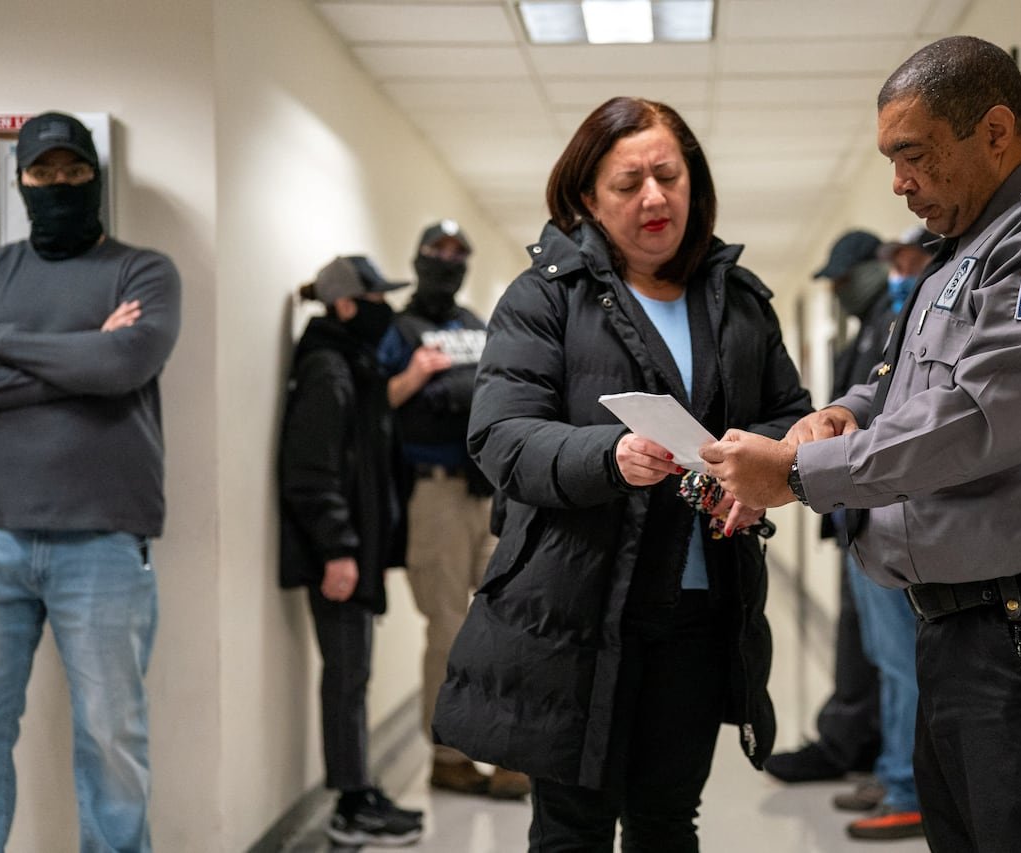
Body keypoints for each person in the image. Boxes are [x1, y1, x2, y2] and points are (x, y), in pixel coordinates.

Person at [701, 36, 1021, 853]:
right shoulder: (962, 257)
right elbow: (899, 384)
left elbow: (979, 418)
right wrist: (839, 416)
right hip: (969, 631)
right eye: (891, 159)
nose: (899, 182)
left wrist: (796, 469)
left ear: (995, 132)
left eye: (912, 154)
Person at [431, 96, 814, 851]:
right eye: (628, 182)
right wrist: (608, 456)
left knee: (667, 821)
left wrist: (755, 463)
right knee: (572, 827)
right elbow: (501, 434)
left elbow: (790, 412)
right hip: (577, 609)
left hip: (700, 611)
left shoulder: (738, 301)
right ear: (585, 198)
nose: (654, 197)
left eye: (669, 175)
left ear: (693, 182)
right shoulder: (544, 298)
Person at [0, 111, 180, 852]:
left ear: (96, 176)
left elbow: (124, 365)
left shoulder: (145, 270)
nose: (60, 184)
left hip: (104, 540)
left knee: (112, 742)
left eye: (74, 172)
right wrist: (80, 357)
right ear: (22, 181)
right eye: (44, 173)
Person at [377, 220, 530, 800]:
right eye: (437, 251)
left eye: (458, 252)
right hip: (433, 492)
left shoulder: (474, 325)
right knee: (448, 627)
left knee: (509, 616)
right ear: (418, 257)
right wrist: (415, 377)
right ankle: (448, 755)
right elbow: (377, 404)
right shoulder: (399, 328)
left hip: (486, 490)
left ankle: (509, 749)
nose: (448, 260)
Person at [278, 255, 424, 848]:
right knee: (346, 676)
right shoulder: (328, 369)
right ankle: (349, 803)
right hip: (336, 555)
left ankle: (359, 788)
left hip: (353, 548)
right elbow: (310, 471)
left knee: (353, 674)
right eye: (375, 299)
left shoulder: (349, 364)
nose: (383, 309)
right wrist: (338, 548)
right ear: (345, 305)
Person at [821, 229, 933, 842]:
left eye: (908, 260)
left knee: (901, 661)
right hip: (861, 513)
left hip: (892, 515)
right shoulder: (891, 321)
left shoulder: (918, 316)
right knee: (887, 661)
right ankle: (894, 772)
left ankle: (907, 788)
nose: (900, 270)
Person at [763, 231, 886, 791]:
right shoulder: (868, 334)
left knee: (887, 652)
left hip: (882, 516)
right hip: (852, 515)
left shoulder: (894, 323)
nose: (838, 293)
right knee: (860, 641)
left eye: (842, 281)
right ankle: (853, 743)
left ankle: (886, 767)